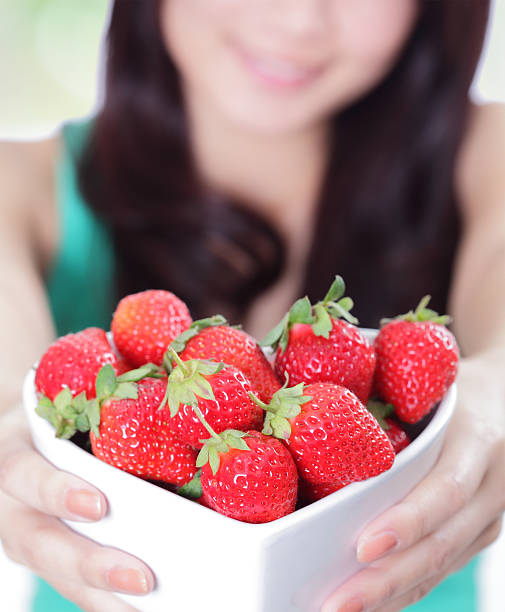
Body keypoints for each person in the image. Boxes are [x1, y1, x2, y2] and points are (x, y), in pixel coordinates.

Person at [0, 1, 504, 611]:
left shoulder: (488, 156)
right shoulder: (18, 185)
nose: (297, 20)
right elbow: (11, 392)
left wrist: (494, 393)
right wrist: (17, 439)